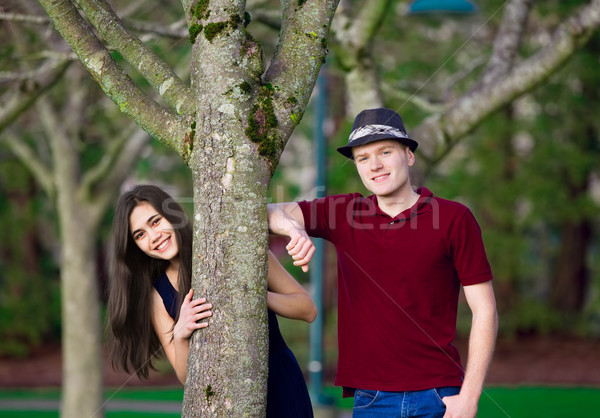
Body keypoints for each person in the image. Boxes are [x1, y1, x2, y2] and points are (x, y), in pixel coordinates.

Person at [268, 108, 498, 418]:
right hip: (373, 401)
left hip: (440, 397)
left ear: (409, 155)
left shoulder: (454, 219)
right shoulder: (344, 212)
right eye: (363, 158)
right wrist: (292, 228)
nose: (374, 165)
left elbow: (485, 310)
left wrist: (469, 397)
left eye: (385, 152)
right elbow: (261, 210)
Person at [107, 184, 316, 417]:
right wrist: (180, 334)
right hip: (225, 398)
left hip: (279, 381)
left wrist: (255, 296)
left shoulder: (239, 248)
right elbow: (186, 376)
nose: (153, 237)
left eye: (155, 221)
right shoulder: (157, 295)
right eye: (140, 235)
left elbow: (307, 309)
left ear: (172, 214)